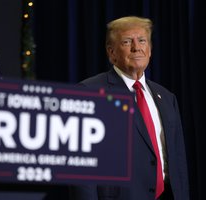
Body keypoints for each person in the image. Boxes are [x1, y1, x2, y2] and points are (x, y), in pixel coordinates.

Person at [69, 16, 189, 200]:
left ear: (150, 50)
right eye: (127, 42)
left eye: (142, 40)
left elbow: (178, 161)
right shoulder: (90, 91)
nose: (136, 47)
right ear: (111, 53)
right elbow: (81, 165)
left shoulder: (166, 97)